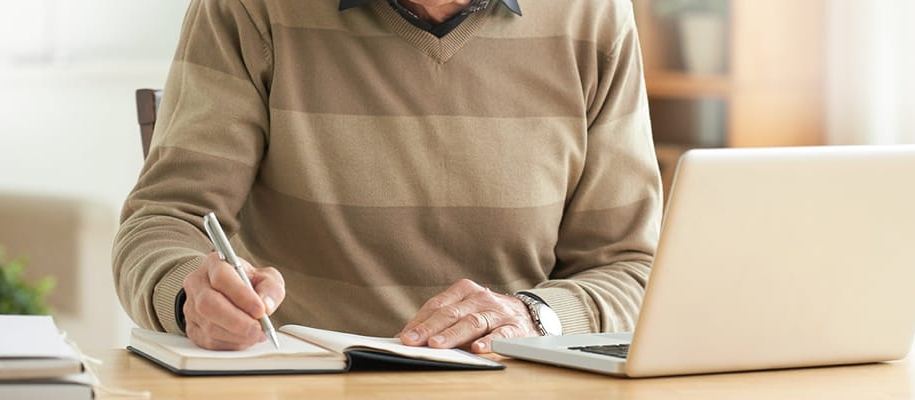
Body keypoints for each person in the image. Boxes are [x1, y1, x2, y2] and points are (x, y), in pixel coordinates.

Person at [112, 0, 660, 353]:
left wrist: (535, 316)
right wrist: (191, 298)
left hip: (517, 386)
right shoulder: (250, 7)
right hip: (305, 385)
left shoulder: (594, 13)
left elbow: (632, 268)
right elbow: (164, 221)